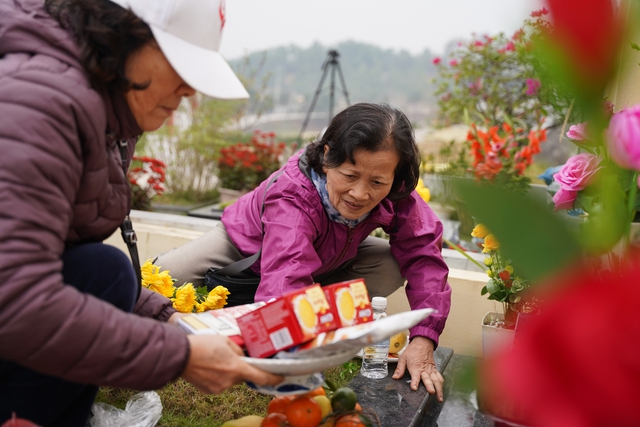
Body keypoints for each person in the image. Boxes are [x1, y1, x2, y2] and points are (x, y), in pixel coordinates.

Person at [0, 0, 282, 425]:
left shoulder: (102, 108)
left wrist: (173, 323)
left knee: (104, 271)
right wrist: (181, 356)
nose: (190, 91)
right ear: (119, 36)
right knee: (103, 270)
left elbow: (63, 260)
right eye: (181, 66)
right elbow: (15, 292)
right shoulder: (40, 103)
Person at [155, 102, 452, 400]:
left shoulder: (397, 190)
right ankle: (262, 312)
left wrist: (424, 338)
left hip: (324, 261)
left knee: (388, 264)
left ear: (394, 176)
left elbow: (424, 256)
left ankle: (310, 319)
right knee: (162, 280)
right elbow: (285, 276)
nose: (361, 193)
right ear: (326, 157)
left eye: (377, 182)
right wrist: (296, 365)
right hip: (243, 248)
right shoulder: (293, 195)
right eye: (350, 176)